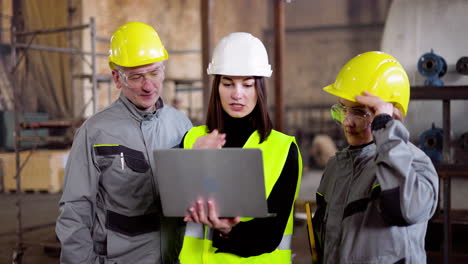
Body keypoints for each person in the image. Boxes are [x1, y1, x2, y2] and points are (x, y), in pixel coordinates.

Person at [55, 21, 192, 264]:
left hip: (176, 257)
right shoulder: (94, 132)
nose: (148, 85)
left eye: (154, 72)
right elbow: (74, 210)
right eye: (136, 77)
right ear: (117, 78)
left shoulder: (181, 126)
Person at [178, 32, 303, 263]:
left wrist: (226, 230)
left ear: (260, 89)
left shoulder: (283, 149)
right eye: (228, 83)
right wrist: (192, 162)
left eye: (247, 84)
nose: (237, 94)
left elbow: (270, 234)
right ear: (217, 86)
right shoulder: (192, 140)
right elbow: (169, 209)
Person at [312, 51, 439, 263]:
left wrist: (386, 128)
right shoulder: (336, 166)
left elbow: (406, 210)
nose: (347, 122)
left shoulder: (414, 163)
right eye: (343, 110)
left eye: (360, 112)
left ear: (393, 115)